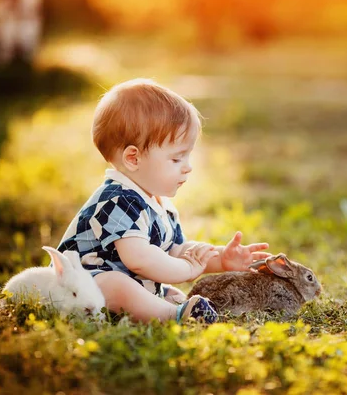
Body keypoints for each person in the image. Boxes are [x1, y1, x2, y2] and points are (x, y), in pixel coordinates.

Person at [56, 78, 271, 324]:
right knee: (116, 284)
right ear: (133, 159)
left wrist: (221, 258)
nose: (188, 168)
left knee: (170, 294)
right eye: (177, 159)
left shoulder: (158, 204)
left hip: (131, 288)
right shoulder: (117, 200)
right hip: (79, 290)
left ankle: (178, 309)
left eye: (188, 157)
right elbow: (140, 259)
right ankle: (175, 316)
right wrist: (186, 271)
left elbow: (176, 250)